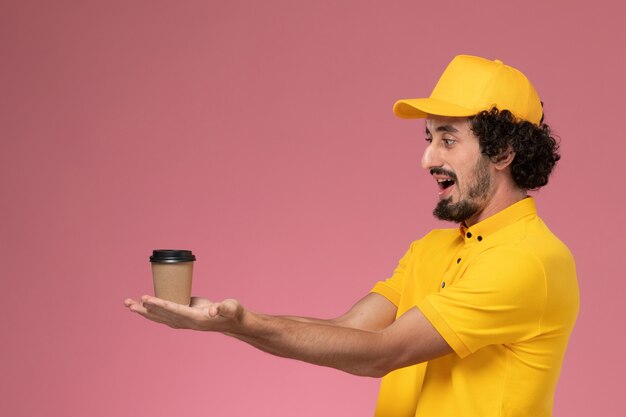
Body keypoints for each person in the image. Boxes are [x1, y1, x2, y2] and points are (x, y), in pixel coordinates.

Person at [125, 55, 579, 417]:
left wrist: (244, 325)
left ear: (502, 152)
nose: (427, 159)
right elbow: (349, 332)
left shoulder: (528, 260)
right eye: (428, 139)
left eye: (447, 140)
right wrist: (230, 319)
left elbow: (381, 353)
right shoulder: (432, 250)